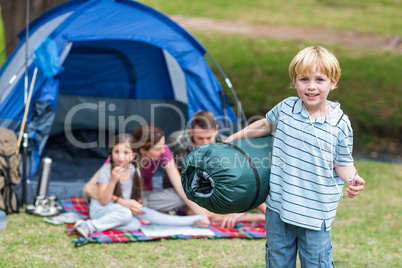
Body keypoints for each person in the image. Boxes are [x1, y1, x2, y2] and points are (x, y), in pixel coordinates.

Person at [225, 46, 365, 267]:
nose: (311, 86)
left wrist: (353, 180)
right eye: (304, 79)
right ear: (294, 81)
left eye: (320, 79)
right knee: (277, 261)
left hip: (316, 213)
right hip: (279, 209)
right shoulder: (287, 108)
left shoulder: (340, 124)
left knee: (317, 263)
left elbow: (343, 163)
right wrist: (233, 138)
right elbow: (265, 125)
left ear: (333, 82)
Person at [74, 133, 207, 238]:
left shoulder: (133, 170)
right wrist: (114, 181)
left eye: (125, 153)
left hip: (119, 209)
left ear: (132, 155)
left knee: (134, 224)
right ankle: (89, 225)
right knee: (125, 214)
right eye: (117, 152)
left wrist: (198, 217)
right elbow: (102, 199)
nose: (121, 156)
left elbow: (137, 195)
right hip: (108, 207)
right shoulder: (108, 169)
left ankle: (106, 223)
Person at [167, 110, 267, 228]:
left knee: (250, 187)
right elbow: (181, 179)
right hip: (189, 188)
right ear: (191, 131)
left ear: (216, 130)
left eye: (208, 138)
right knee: (194, 210)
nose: (204, 143)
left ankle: (270, 216)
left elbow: (242, 178)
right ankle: (254, 218)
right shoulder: (177, 141)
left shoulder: (227, 143)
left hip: (218, 186)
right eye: (200, 138)